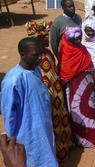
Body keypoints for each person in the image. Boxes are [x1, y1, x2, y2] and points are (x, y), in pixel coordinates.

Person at [1, 37, 58, 166]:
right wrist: (12, 142)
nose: (40, 58)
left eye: (41, 54)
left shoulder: (35, 69)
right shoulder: (13, 80)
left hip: (42, 126)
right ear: (22, 54)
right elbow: (9, 113)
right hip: (28, 132)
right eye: (35, 55)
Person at [25, 21, 73, 161]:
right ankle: (55, 154)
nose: (47, 40)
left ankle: (66, 146)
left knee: (61, 118)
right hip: (46, 96)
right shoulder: (34, 59)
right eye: (43, 39)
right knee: (50, 123)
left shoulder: (47, 53)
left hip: (57, 92)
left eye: (46, 38)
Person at [58, 27, 95, 147]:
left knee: (90, 112)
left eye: (79, 38)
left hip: (88, 89)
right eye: (75, 39)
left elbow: (89, 64)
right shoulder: (65, 54)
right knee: (78, 114)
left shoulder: (83, 49)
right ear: (69, 40)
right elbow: (65, 74)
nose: (78, 41)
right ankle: (81, 140)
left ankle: (94, 137)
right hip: (74, 92)